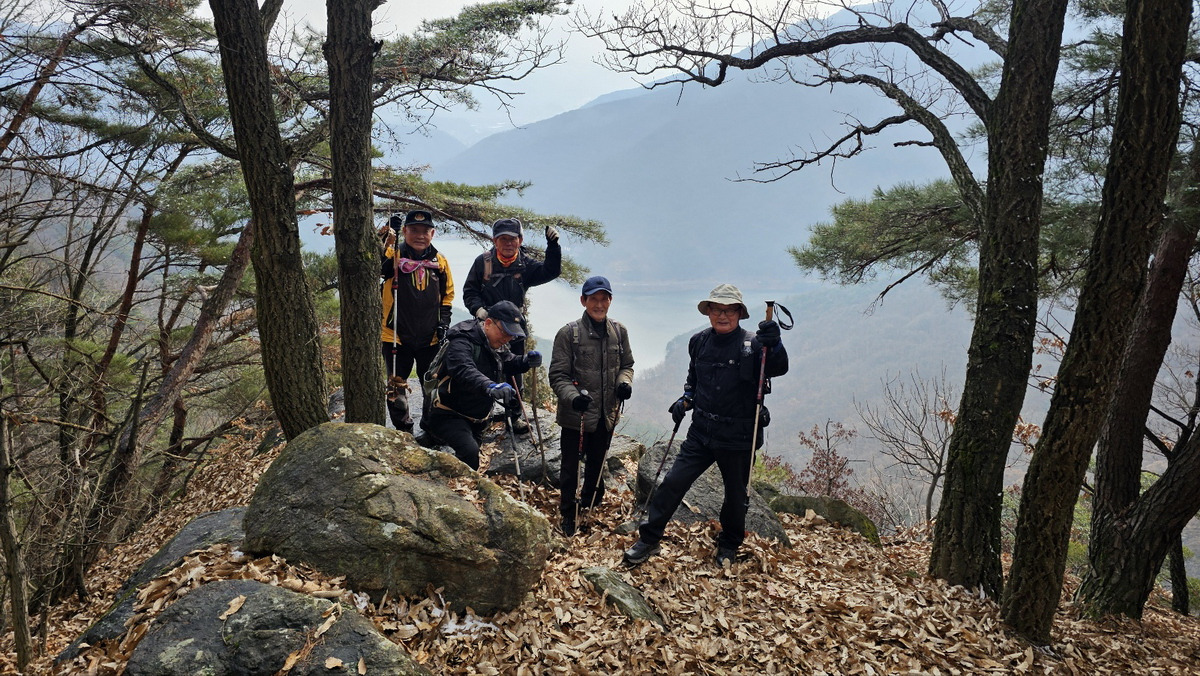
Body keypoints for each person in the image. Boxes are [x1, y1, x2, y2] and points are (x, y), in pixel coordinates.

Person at [623, 284, 787, 567]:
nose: (723, 315)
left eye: (729, 310)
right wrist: (685, 398)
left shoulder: (754, 345)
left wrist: (775, 343)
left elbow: (779, 366)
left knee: (736, 497)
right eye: (717, 309)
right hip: (701, 432)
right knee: (673, 483)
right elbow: (694, 379)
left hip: (738, 436)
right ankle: (649, 539)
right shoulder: (699, 342)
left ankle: (729, 545)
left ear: (739, 313)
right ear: (708, 311)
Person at [548, 275, 635, 536]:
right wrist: (574, 397)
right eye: (593, 299)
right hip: (576, 416)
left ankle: (589, 503)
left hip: (606, 415)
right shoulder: (569, 334)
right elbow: (558, 376)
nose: (599, 304)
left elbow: (627, 366)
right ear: (583, 301)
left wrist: (623, 383)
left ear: (610, 300)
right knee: (570, 467)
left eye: (603, 299)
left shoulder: (619, 331)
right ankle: (568, 512)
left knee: (597, 462)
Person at [462, 217, 561, 433]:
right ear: (495, 241)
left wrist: (553, 247)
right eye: (503, 239)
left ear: (520, 240)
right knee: (483, 371)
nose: (508, 243)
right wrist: (479, 310)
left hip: (514, 328)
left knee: (515, 372)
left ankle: (514, 416)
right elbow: (470, 292)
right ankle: (479, 415)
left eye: (512, 239)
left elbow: (550, 271)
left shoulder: (524, 265)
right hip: (487, 328)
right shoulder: (484, 263)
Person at [422, 300, 541, 470]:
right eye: (504, 332)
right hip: (448, 414)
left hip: (477, 419)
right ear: (488, 323)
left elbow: (507, 361)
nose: (507, 338)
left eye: (511, 335)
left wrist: (525, 361)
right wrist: (489, 386)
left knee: (471, 455)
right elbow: (463, 369)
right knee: (470, 454)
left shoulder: (495, 343)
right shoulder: (462, 339)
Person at [379, 210, 454, 433]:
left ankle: (430, 430)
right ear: (404, 231)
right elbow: (378, 264)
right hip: (394, 335)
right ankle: (404, 430)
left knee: (431, 385)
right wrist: (386, 233)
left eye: (425, 231)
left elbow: (447, 296)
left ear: (432, 233)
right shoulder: (393, 254)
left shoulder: (440, 261)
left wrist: (444, 323)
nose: (420, 235)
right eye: (414, 230)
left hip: (430, 337)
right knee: (396, 386)